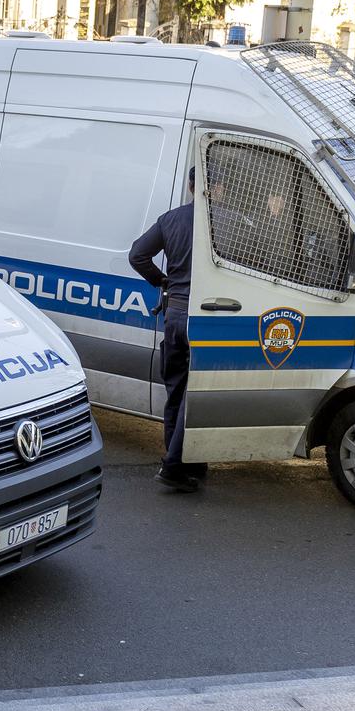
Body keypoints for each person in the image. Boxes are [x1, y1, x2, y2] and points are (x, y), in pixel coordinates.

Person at [129, 167, 206, 493]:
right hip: (206, 318)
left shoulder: (170, 219)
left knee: (175, 390)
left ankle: (185, 462)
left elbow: (137, 255)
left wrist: (163, 281)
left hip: (175, 313)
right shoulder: (226, 224)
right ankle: (176, 465)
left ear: (190, 186)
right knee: (198, 393)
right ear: (218, 188)